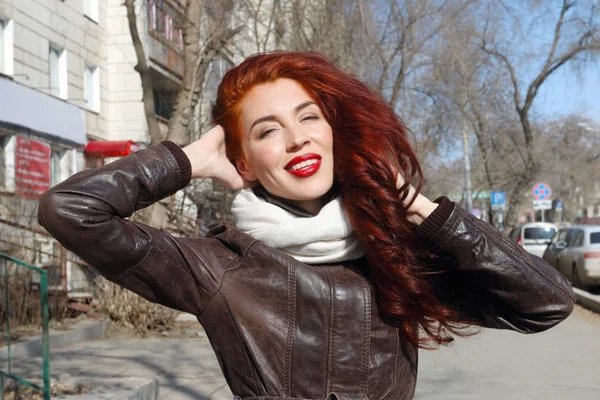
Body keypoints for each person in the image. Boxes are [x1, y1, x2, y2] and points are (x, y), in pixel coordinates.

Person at [38, 52, 575, 400]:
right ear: (243, 160)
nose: (297, 139)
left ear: (335, 134)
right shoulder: (219, 266)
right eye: (268, 130)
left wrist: (413, 204)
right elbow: (71, 211)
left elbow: (546, 302)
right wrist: (187, 159)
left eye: (310, 117)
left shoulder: (396, 254)